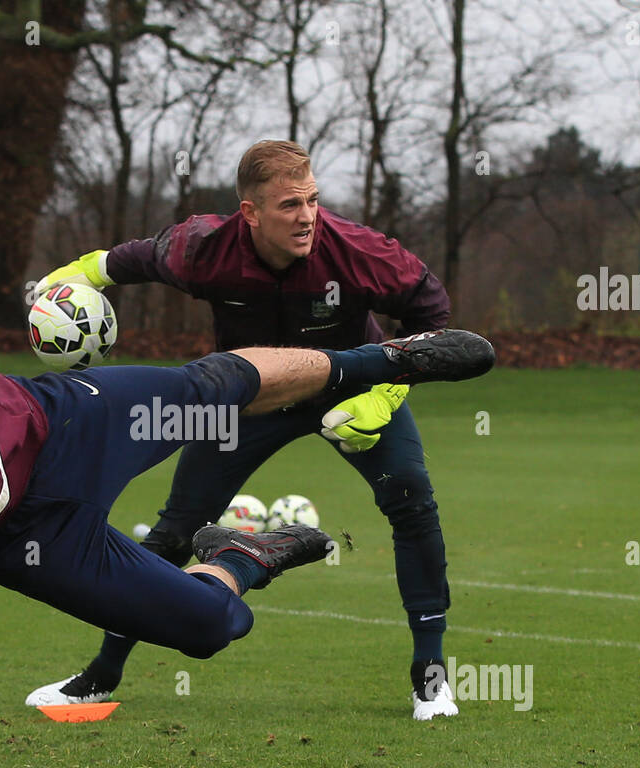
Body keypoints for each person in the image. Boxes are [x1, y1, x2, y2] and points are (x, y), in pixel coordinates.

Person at [0, 276, 493, 703]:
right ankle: (242, 552)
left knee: (210, 388)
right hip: (24, 544)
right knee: (213, 626)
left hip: (69, 431)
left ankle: (382, 358)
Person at [25, 140, 475, 721]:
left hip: (352, 389)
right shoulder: (203, 249)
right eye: (290, 205)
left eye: (313, 200)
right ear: (250, 212)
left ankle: (431, 679)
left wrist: (386, 396)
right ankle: (101, 673)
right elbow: (124, 262)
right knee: (175, 532)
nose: (308, 217)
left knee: (413, 503)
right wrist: (73, 278)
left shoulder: (361, 252)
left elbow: (433, 319)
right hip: (247, 399)